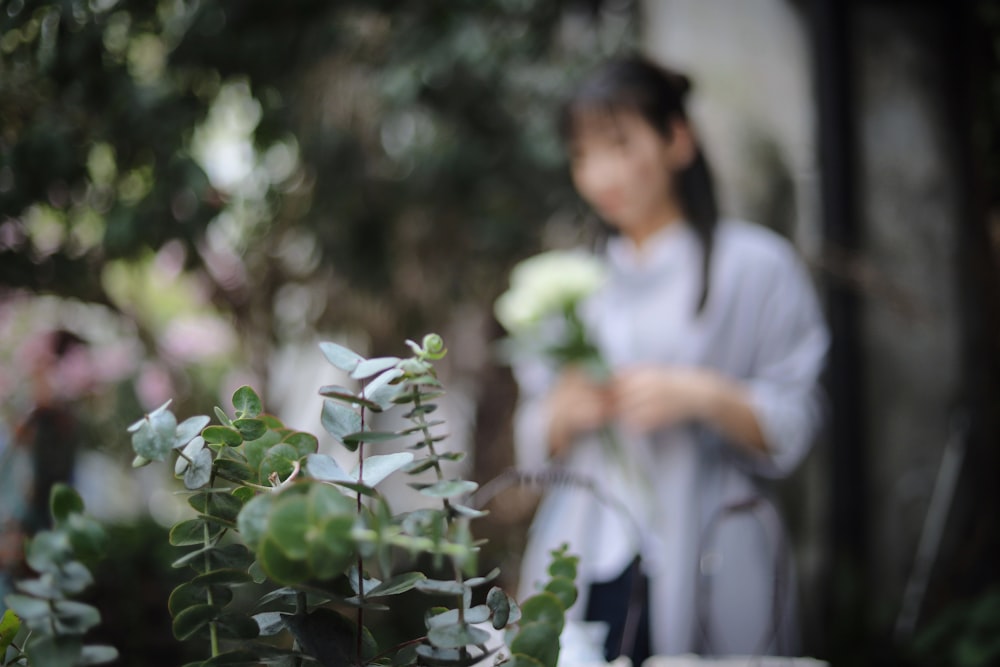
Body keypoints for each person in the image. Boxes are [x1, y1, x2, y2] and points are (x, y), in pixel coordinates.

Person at [511, 56, 829, 660]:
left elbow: (797, 420)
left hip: (714, 545)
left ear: (677, 139)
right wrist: (563, 412)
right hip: (587, 551)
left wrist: (703, 396)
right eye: (582, 156)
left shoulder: (756, 267)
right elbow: (532, 435)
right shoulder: (571, 280)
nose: (600, 173)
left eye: (619, 145)